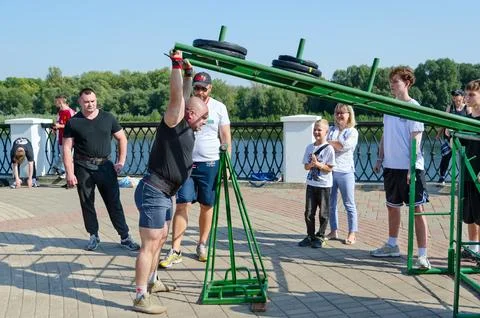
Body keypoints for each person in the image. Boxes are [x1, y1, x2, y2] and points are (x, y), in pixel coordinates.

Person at [132, 50, 208, 314]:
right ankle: (141, 296)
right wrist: (176, 65)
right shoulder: (174, 121)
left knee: (161, 238)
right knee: (150, 244)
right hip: (154, 190)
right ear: (190, 114)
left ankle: (152, 281)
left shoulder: (186, 126)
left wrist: (188, 73)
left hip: (166, 193)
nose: (205, 121)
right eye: (204, 117)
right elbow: (178, 98)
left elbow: (185, 96)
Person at [160, 71, 231, 268]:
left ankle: (202, 244)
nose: (199, 91)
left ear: (210, 88)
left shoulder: (219, 107)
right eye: (197, 87)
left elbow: (225, 136)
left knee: (207, 204)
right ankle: (175, 249)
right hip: (186, 163)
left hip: (210, 162)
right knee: (183, 202)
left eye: (203, 88)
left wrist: (227, 164)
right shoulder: (187, 105)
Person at [62, 88, 140, 252]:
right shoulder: (73, 122)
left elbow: (122, 138)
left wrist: (121, 161)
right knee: (87, 203)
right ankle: (93, 235)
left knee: (114, 203)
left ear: (96, 100)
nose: (90, 104)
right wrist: (69, 172)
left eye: (92, 101)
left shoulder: (108, 118)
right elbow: (67, 148)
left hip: (105, 166)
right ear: (80, 102)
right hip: (83, 166)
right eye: (86, 102)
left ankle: (125, 237)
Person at [371, 66, 431, 270]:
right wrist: (380, 158)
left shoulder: (414, 107)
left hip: (410, 167)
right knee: (392, 207)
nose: (392, 85)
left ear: (407, 83)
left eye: (396, 81)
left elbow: (416, 138)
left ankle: (423, 255)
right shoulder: (390, 107)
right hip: (391, 166)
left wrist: (411, 167)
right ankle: (392, 244)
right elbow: (385, 135)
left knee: (417, 209)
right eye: (391, 81)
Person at [298, 119, 335, 248]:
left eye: (319, 130)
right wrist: (311, 164)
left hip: (324, 186)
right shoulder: (309, 147)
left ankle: (320, 236)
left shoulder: (329, 149)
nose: (316, 132)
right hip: (311, 184)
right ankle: (310, 235)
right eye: (315, 129)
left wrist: (317, 164)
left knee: (323, 213)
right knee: (308, 212)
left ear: (326, 132)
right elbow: (306, 167)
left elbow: (330, 168)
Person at [325, 103, 359, 245]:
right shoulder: (331, 130)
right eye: (337, 112)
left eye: (342, 113)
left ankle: (352, 233)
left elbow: (343, 146)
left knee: (349, 204)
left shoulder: (352, 132)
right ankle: (333, 230)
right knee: (330, 203)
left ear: (349, 115)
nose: (339, 115)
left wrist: (330, 143)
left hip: (345, 171)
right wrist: (333, 143)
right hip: (331, 170)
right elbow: (322, 144)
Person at [459, 80, 480, 261]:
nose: (468, 97)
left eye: (472, 94)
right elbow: (460, 144)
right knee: (470, 213)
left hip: (479, 172)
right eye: (467, 94)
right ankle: (473, 248)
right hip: (468, 170)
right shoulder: (467, 118)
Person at [436, 89, 471, 185]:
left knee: (463, 158)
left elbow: (470, 122)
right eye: (454, 96)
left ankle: (464, 178)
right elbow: (444, 120)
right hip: (449, 136)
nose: (455, 98)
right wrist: (439, 133)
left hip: (462, 137)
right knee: (446, 156)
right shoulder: (450, 107)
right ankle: (442, 177)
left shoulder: (467, 108)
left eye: (457, 96)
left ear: (462, 97)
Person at [52, 95, 76, 177]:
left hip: (69, 138)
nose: (55, 104)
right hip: (61, 137)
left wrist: (60, 126)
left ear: (60, 101)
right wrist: (55, 128)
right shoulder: (60, 112)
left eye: (56, 102)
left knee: (68, 156)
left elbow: (73, 126)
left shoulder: (70, 112)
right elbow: (58, 122)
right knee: (62, 155)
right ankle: (63, 171)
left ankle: (67, 173)